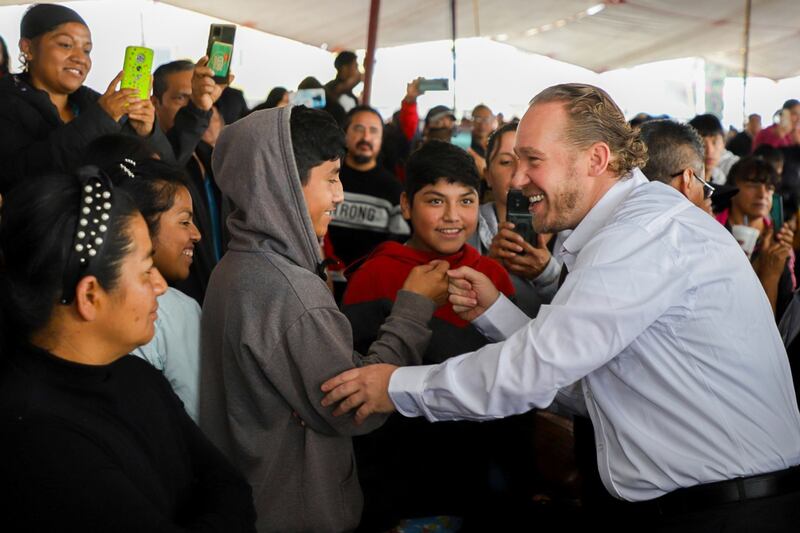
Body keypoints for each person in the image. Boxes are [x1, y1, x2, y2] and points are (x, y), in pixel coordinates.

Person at [321, 83, 800, 532]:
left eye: (532, 160)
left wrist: (396, 386)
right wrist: (496, 313)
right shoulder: (632, 227)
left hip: (726, 513)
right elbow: (584, 384)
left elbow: (535, 371)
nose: (519, 179)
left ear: (595, 159)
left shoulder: (642, 235)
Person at [198, 105, 450, 533]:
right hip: (298, 512)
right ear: (282, 186)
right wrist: (411, 309)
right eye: (331, 177)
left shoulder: (236, 265)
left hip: (253, 500)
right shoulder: (291, 292)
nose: (339, 194)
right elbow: (357, 408)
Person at [0, 168, 255, 531]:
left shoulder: (137, 375)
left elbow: (232, 486)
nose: (161, 286)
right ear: (90, 296)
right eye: (146, 269)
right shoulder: (38, 437)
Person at [341, 139, 516, 530]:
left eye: (466, 201)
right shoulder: (374, 275)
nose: (452, 216)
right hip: (396, 473)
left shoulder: (494, 277)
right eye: (435, 201)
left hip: (479, 466)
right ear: (405, 205)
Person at [0, 3, 172, 194]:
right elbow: (19, 172)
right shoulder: (6, 102)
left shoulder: (94, 106)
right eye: (66, 45)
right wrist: (100, 120)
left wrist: (146, 133)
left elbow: (167, 173)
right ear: (28, 48)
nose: (80, 58)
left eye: (87, 50)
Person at [103, 155, 203, 421]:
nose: (197, 234)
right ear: (139, 226)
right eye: (184, 221)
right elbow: (198, 415)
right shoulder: (176, 310)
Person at [152, 59, 230, 303]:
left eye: (198, 96)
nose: (194, 106)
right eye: (182, 98)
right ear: (155, 103)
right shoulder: (150, 158)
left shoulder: (212, 158)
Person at [469, 121, 561, 318]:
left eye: (533, 160)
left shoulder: (578, 230)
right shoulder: (465, 227)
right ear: (488, 176)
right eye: (506, 161)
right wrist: (490, 269)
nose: (519, 174)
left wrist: (548, 274)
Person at [324, 105, 410, 296]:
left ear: (381, 139)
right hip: (319, 283)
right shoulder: (324, 180)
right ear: (344, 133)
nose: (366, 138)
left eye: (373, 131)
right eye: (358, 129)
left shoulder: (393, 190)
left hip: (369, 290)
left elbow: (398, 248)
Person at [716, 156, 796, 319]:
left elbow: (786, 307)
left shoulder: (779, 239)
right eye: (752, 185)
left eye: (769, 188)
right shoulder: (713, 229)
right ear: (732, 189)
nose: (762, 194)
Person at [640, 119, 714, 214]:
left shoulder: (621, 212)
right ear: (687, 180)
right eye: (705, 190)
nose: (706, 199)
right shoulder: (696, 224)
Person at [689, 113, 739, 185]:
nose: (709, 151)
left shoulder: (719, 178)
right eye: (701, 144)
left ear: (724, 143)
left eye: (715, 142)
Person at [325, 50, 361, 114]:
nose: (357, 70)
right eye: (355, 66)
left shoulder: (347, 91)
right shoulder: (333, 89)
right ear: (344, 68)